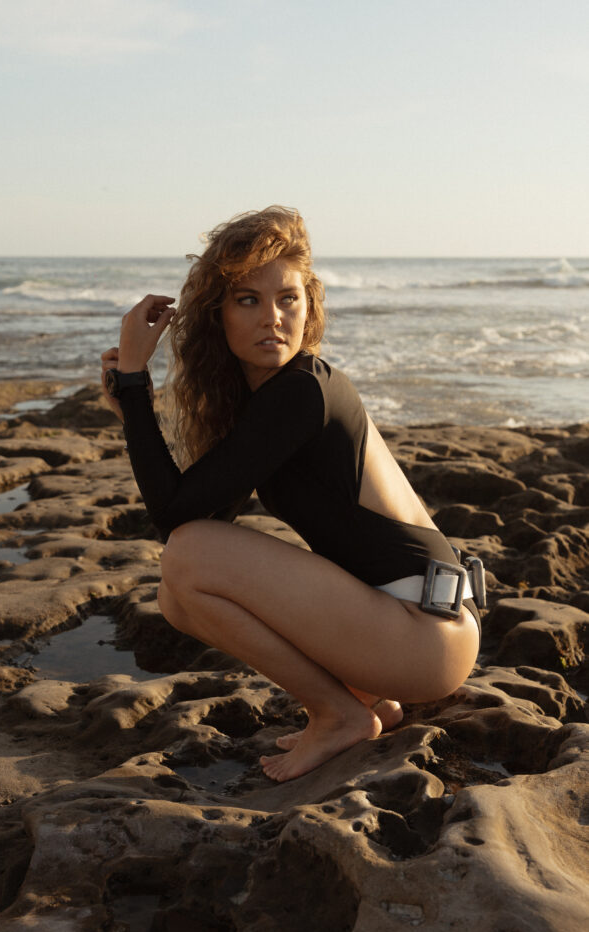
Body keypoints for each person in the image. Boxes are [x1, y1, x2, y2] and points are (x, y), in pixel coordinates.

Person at [100, 206, 483, 783]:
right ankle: (366, 701)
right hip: (403, 627)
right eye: (248, 300)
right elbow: (194, 517)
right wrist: (131, 399)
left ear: (309, 306)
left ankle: (336, 714)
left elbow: (181, 524)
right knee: (178, 592)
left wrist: (134, 384)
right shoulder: (266, 403)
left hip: (428, 633)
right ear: (217, 314)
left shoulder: (303, 390)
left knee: (188, 557)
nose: (273, 318)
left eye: (289, 299)